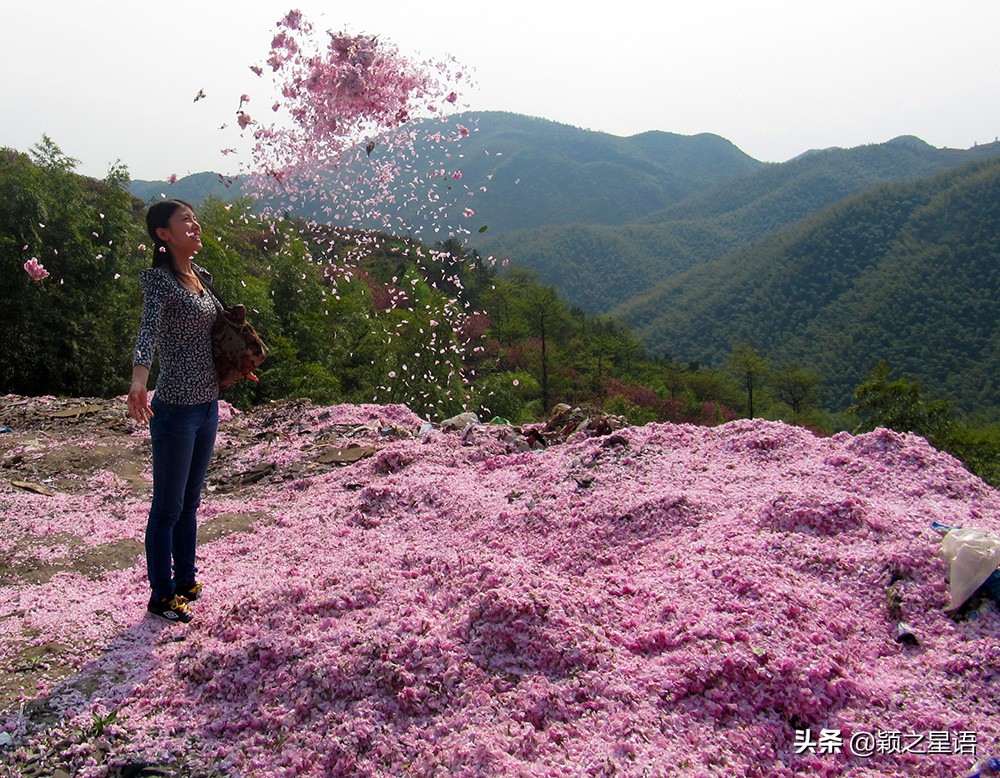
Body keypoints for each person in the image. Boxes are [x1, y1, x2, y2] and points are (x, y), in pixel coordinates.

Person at [127, 199, 219, 623]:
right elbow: (147, 330)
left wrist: (237, 365)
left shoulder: (200, 277)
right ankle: (161, 595)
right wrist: (139, 380)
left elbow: (212, 336)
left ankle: (185, 579)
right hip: (176, 409)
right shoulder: (161, 282)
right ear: (164, 234)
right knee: (167, 507)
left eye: (194, 218)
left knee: (190, 503)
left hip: (207, 406)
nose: (195, 224)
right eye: (185, 220)